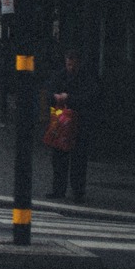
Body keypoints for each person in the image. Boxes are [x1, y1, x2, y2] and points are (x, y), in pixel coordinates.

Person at [44, 49, 97, 202]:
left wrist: (62, 98)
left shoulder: (65, 76)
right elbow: (90, 95)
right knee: (68, 157)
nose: (70, 66)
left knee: (72, 157)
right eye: (68, 63)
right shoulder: (83, 77)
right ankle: (70, 191)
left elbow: (90, 96)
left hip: (71, 121)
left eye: (72, 63)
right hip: (74, 120)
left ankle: (69, 190)